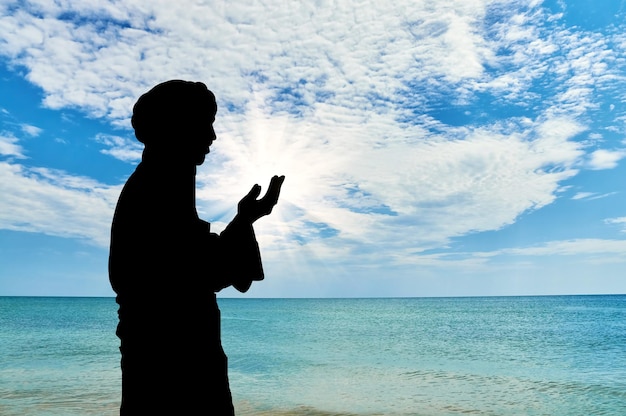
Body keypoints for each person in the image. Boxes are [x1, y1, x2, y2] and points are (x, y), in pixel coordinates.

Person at [108, 80, 285, 415]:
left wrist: (245, 219)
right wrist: (244, 221)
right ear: (177, 127)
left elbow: (197, 261)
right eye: (206, 124)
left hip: (176, 369)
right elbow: (196, 270)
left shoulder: (156, 188)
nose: (212, 137)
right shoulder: (153, 191)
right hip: (172, 378)